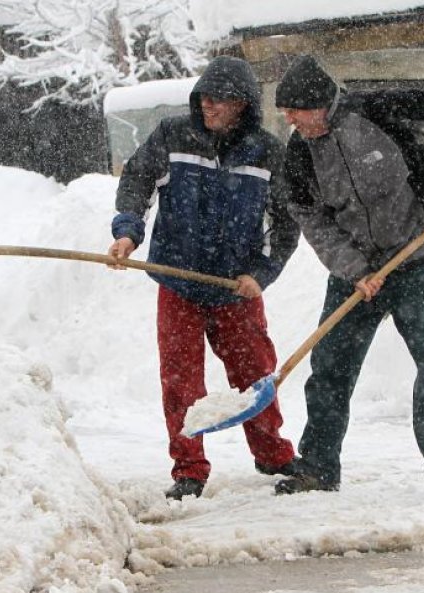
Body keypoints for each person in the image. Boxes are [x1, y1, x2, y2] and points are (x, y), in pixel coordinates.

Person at [272, 55, 424, 503]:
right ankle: (319, 467)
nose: (289, 120)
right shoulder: (300, 153)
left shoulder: (381, 109)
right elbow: (312, 220)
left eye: (295, 111)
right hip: (357, 273)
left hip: (418, 260)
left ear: (321, 104)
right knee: (329, 370)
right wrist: (355, 270)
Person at [108, 56, 302, 500]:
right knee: (180, 379)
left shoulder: (267, 151)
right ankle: (189, 468)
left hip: (236, 287)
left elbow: (286, 222)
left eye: (221, 100)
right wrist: (127, 233)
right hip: (178, 281)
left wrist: (262, 273)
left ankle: (272, 453)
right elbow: (136, 182)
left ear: (243, 105)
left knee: (255, 373)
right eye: (205, 98)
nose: (209, 106)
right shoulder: (173, 134)